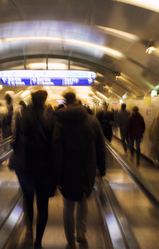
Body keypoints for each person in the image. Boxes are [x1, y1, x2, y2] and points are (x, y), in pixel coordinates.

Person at [53, 92, 106, 249]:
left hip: (66, 170)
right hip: (87, 167)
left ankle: (70, 238)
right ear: (78, 101)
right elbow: (101, 148)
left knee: (68, 204)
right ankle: (81, 231)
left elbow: (56, 149)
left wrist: (56, 177)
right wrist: (101, 170)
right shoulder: (93, 120)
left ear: (65, 102)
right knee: (83, 199)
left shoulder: (60, 122)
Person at [13, 90, 56, 249]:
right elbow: (54, 145)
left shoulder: (23, 116)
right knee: (43, 205)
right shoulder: (51, 118)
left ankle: (29, 228)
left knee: (28, 198)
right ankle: (39, 240)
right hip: (44, 168)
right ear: (44, 101)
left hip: (26, 167)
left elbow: (16, 140)